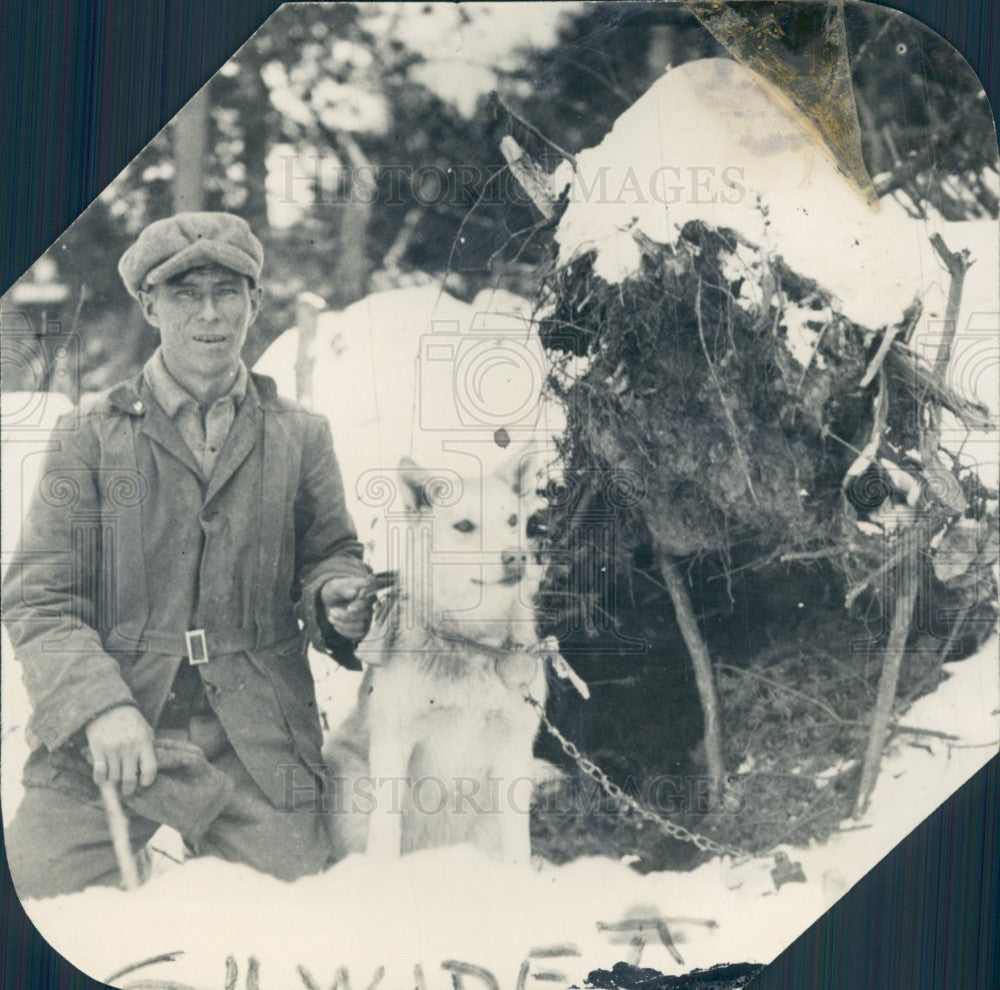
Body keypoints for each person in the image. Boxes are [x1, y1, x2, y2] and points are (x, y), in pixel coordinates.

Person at [3, 212, 374, 898]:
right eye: (184, 293)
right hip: (117, 729)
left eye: (227, 292)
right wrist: (98, 710)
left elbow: (330, 556)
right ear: (149, 305)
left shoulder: (300, 435)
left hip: (254, 739)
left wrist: (336, 599)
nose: (210, 314)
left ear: (255, 302)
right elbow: (40, 599)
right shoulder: (88, 437)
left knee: (299, 912)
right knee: (33, 889)